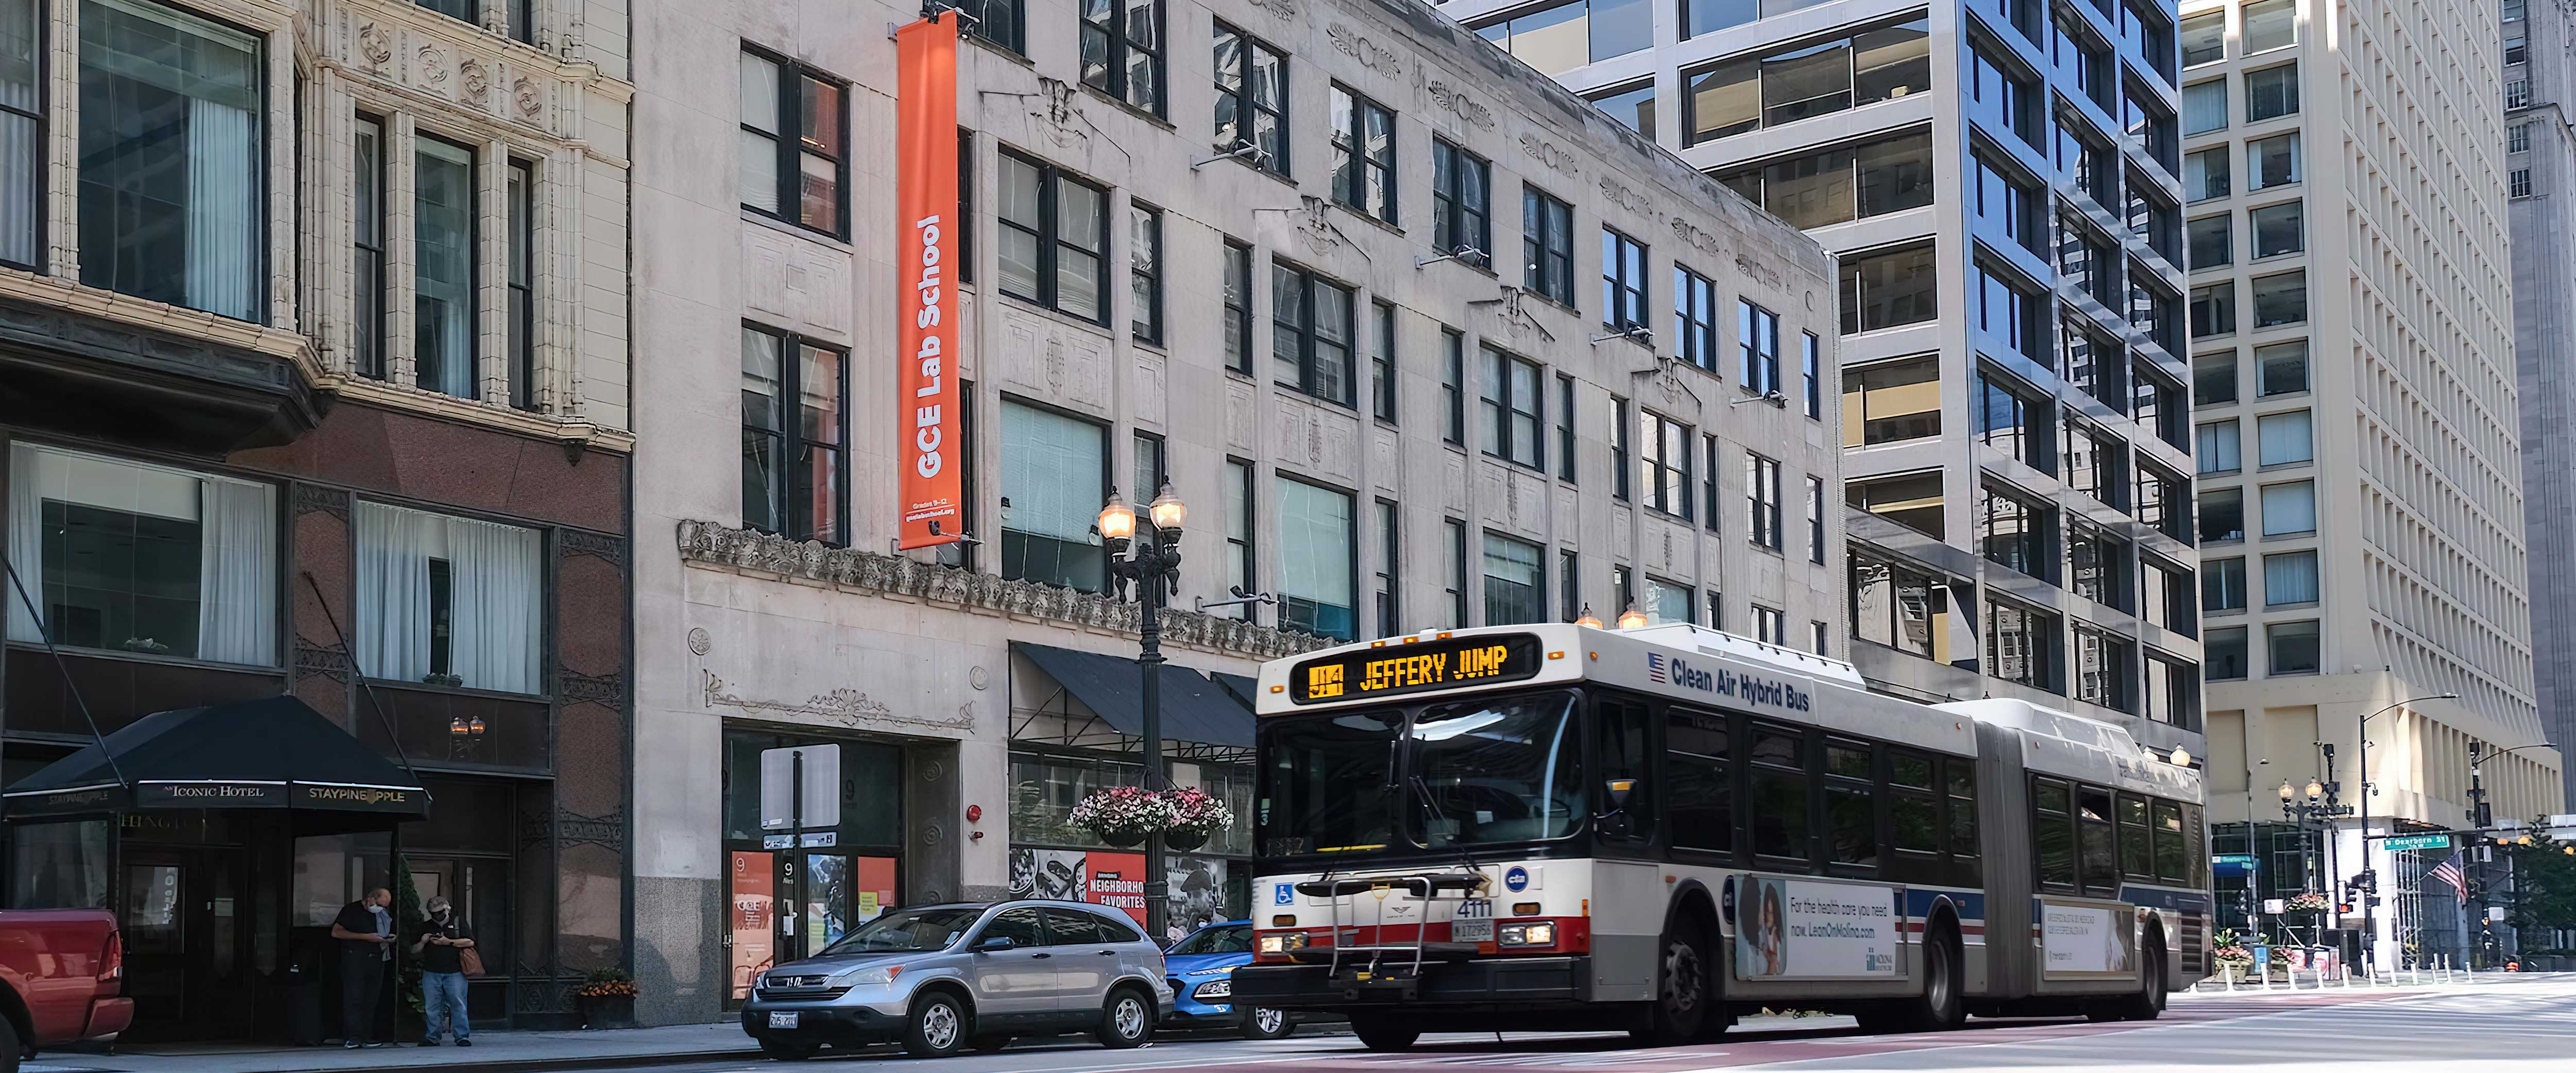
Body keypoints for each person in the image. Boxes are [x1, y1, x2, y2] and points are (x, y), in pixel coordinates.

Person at [329, 888, 396, 1048]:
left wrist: (390, 938)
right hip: (355, 958)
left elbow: (385, 929)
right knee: (354, 997)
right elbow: (336, 932)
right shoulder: (352, 910)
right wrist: (365, 937)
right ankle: (353, 1036)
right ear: (370, 898)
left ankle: (367, 1036)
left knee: (371, 999)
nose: (380, 909)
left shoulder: (381, 914)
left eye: (384, 907)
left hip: (376, 957)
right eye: (379, 905)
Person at [412, 896, 476, 1047]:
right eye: (433, 913)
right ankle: (433, 1037)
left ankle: (462, 1037)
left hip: (455, 971)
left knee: (458, 1005)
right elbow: (413, 952)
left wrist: (448, 942)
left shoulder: (458, 922)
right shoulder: (425, 927)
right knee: (432, 1007)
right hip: (431, 971)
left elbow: (470, 941)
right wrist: (423, 941)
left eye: (440, 912)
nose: (437, 916)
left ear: (447, 909)